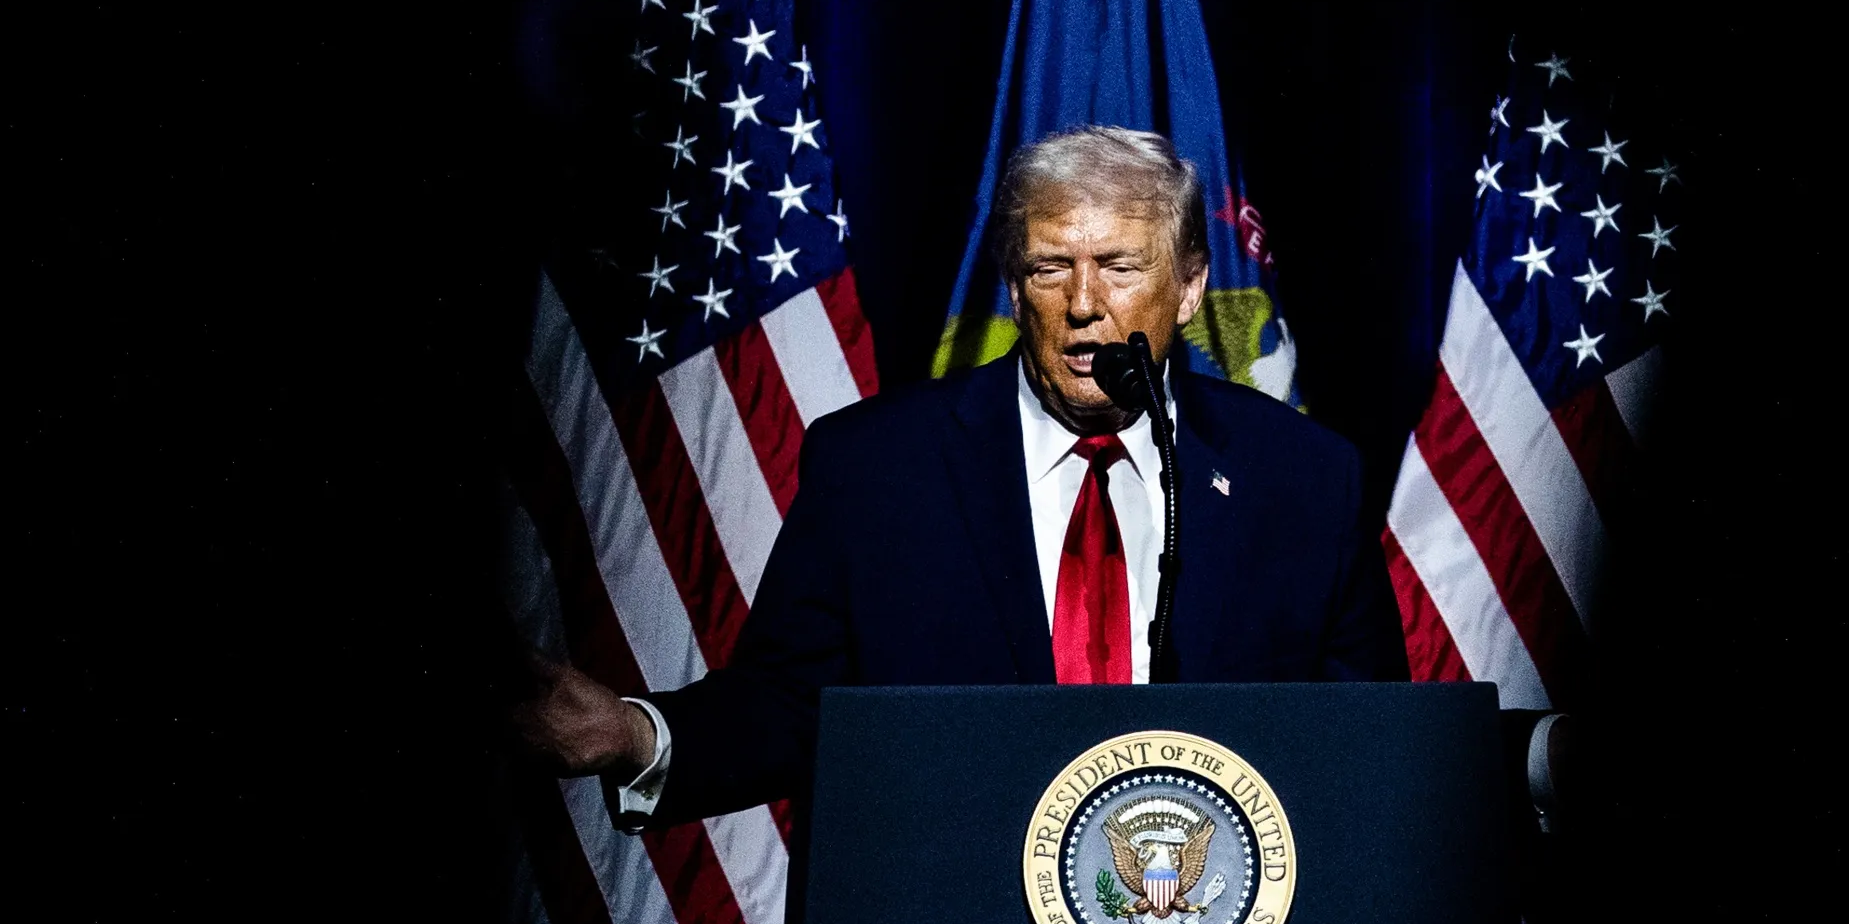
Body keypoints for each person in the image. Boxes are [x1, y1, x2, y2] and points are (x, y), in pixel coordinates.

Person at [514, 125, 1412, 828]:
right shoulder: (878, 470)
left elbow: (1374, 750)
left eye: (1121, 267)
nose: (1085, 302)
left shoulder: (1303, 480)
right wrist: (636, 734)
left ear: (1187, 287)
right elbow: (786, 705)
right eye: (1051, 267)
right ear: (1016, 291)